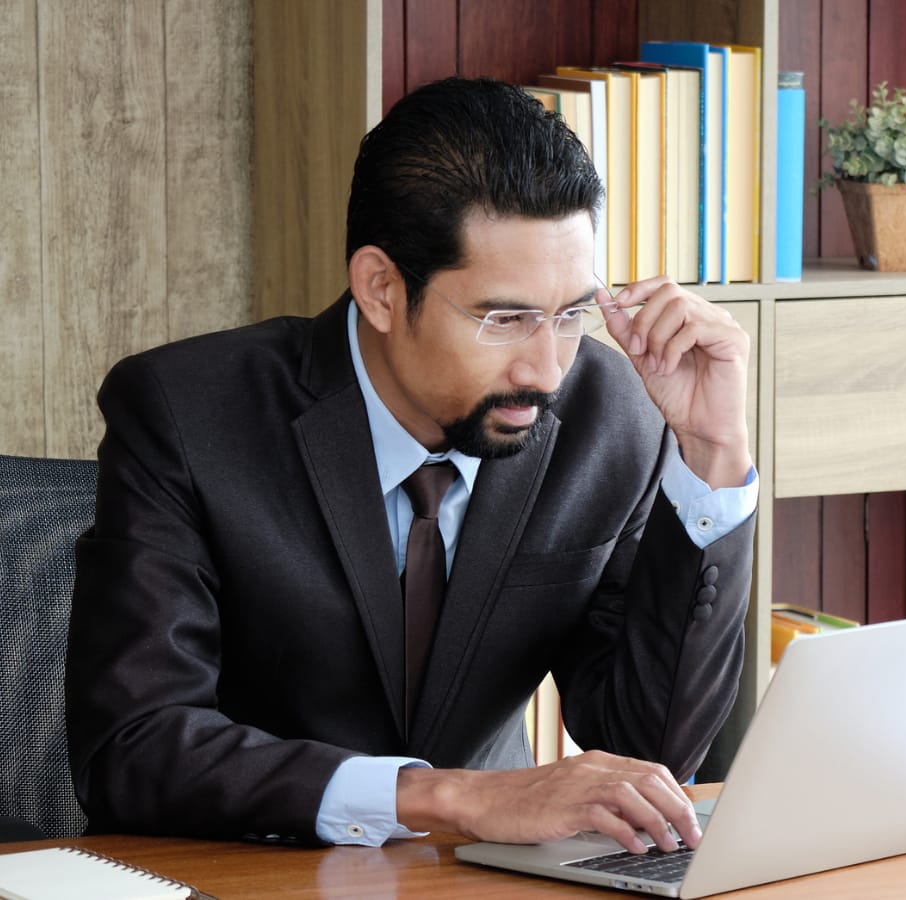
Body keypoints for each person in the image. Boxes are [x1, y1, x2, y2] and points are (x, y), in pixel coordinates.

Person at [65, 77, 755, 854]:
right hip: (244, 869)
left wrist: (712, 456)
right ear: (382, 289)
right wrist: (446, 794)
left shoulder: (609, 417)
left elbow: (650, 746)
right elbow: (132, 746)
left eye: (569, 316)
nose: (548, 370)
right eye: (505, 318)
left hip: (474, 877)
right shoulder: (186, 413)